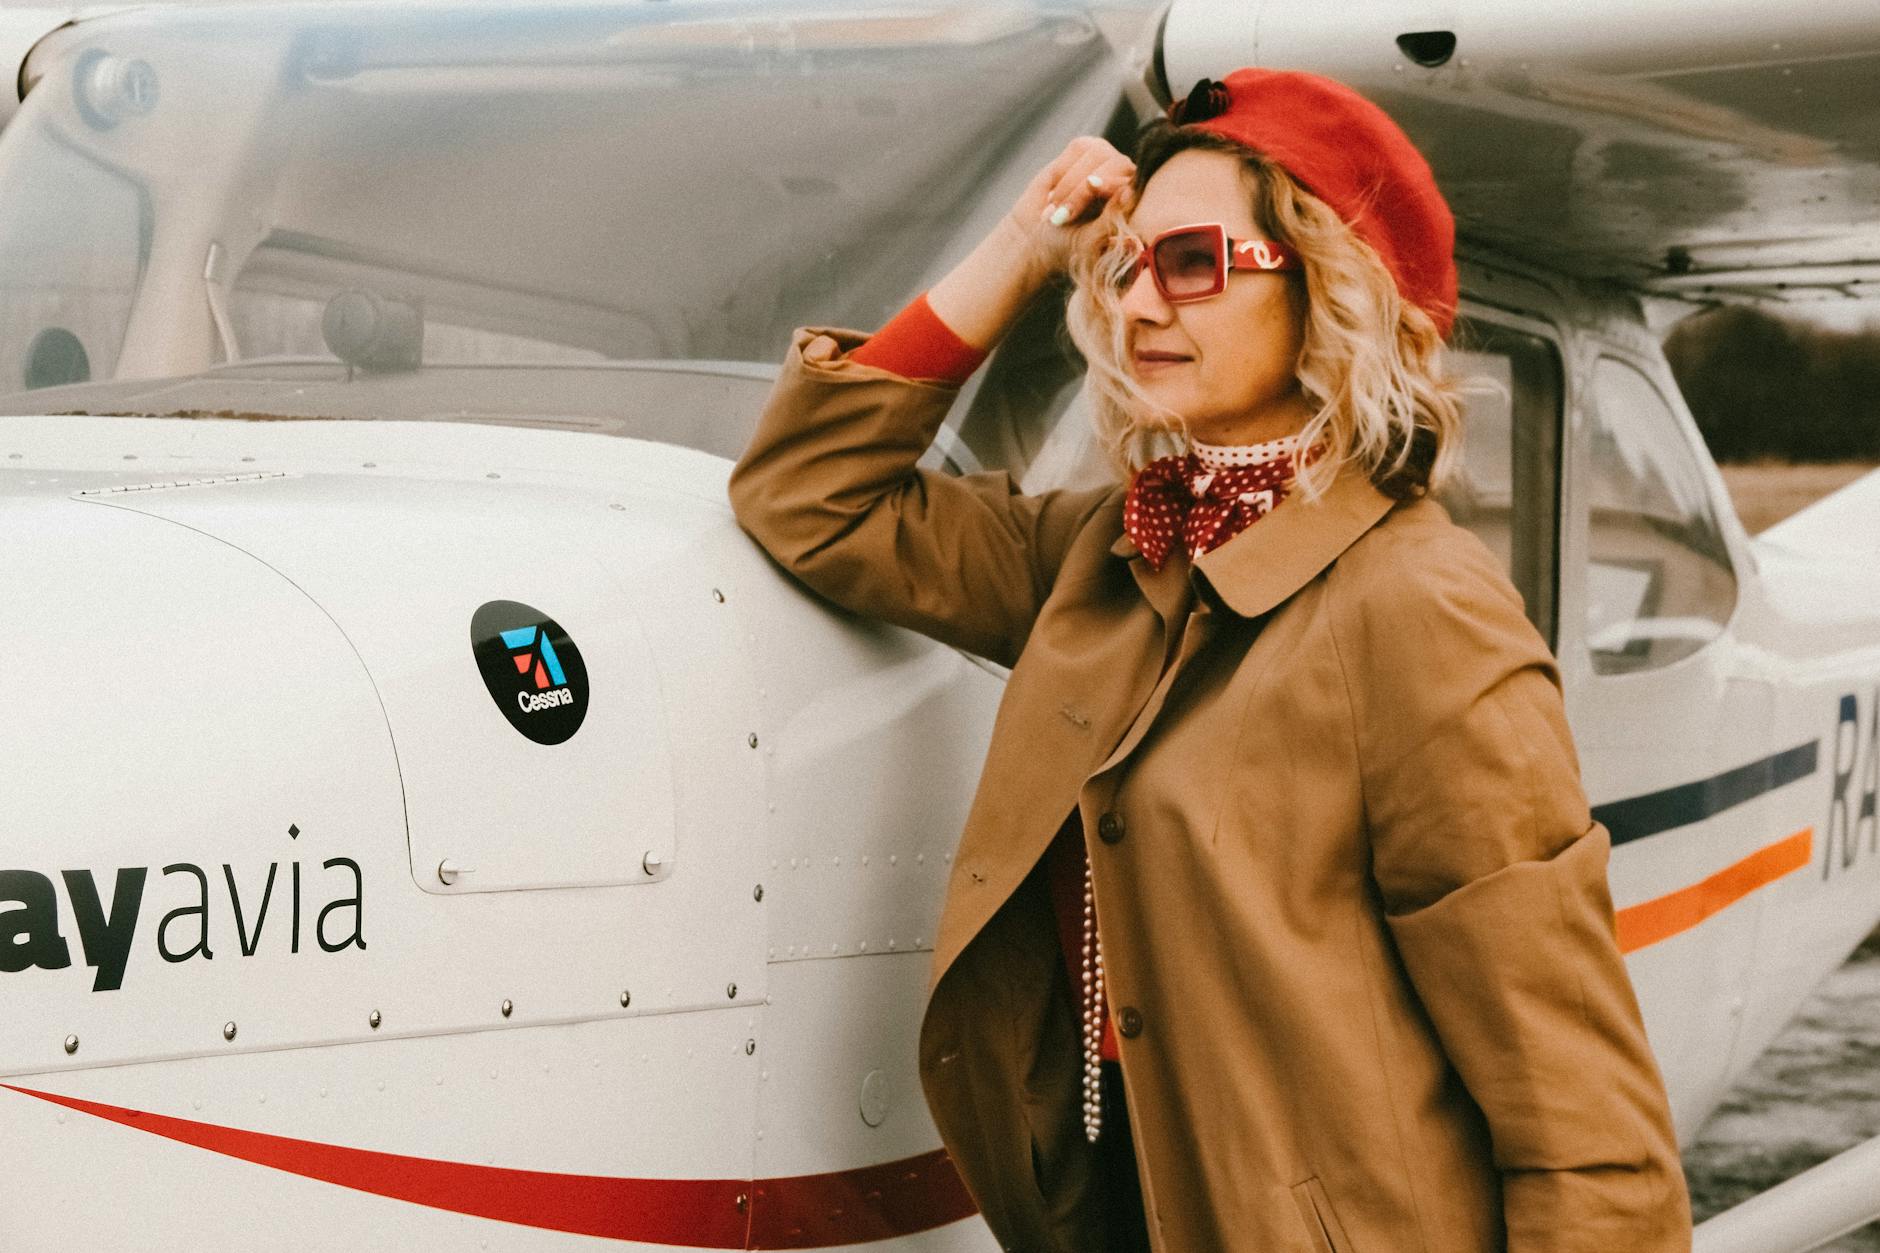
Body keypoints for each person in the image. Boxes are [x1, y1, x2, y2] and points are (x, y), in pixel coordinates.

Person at [729, 67, 1691, 1253]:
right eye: (1123, 263)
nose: (1138, 302)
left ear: (1326, 287)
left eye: (1192, 262)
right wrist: (1024, 246)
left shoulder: (1425, 610)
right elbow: (807, 496)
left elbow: (1579, 1112)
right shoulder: (1100, 553)